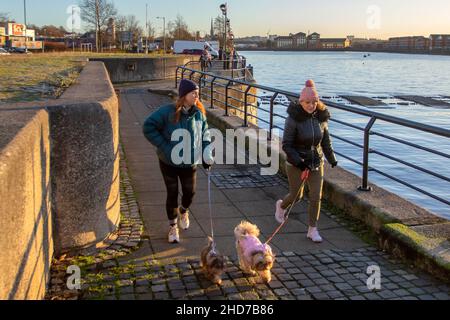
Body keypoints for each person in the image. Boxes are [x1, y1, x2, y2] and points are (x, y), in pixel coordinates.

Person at [143, 79, 213, 244]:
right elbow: (148, 127)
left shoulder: (199, 113)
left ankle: (184, 211)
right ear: (184, 95)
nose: (197, 95)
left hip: (189, 163)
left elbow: (205, 134)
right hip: (168, 162)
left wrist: (206, 153)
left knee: (190, 193)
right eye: (193, 93)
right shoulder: (168, 111)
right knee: (172, 193)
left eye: (197, 93)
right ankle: (173, 227)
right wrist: (167, 148)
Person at [275, 80, 338, 243]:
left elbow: (325, 141)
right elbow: (286, 145)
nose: (311, 105)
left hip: (316, 163)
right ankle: (281, 206)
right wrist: (300, 162)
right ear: (301, 101)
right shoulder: (293, 119)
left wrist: (331, 158)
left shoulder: (321, 118)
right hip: (297, 164)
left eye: (314, 102)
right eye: (308, 102)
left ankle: (312, 229)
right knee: (296, 196)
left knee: (316, 196)